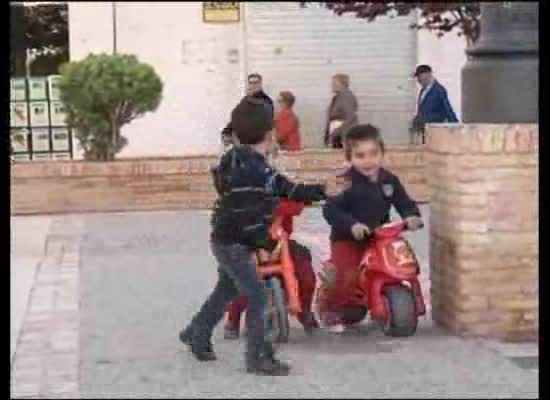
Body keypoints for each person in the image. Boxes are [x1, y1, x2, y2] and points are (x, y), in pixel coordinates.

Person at [179, 97, 326, 376]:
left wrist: (317, 191)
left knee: (226, 289)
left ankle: (195, 332)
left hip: (225, 239)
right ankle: (258, 357)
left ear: (235, 134)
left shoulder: (234, 161)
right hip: (234, 243)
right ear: (271, 135)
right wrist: (319, 192)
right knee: (257, 297)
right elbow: (281, 193)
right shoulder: (257, 170)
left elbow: (278, 189)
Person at [320, 124, 423, 332]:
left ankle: (413, 302)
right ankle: (330, 308)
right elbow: (331, 210)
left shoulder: (389, 180)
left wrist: (411, 216)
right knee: (346, 273)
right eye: (360, 155)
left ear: (382, 152)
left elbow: (403, 201)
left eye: (373, 154)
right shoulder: (345, 181)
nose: (368, 161)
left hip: (378, 236)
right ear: (349, 157)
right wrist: (352, 225)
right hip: (347, 238)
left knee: (402, 261)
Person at [223, 197, 319, 340]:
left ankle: (304, 311)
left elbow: (296, 204)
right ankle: (233, 318)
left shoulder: (281, 189)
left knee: (305, 270)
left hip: (280, 241)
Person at [221, 73, 274, 147]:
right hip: (241, 144)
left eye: (256, 83)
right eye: (251, 83)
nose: (253, 85)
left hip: (257, 144)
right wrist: (227, 131)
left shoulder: (266, 102)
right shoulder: (245, 100)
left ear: (260, 84)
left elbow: (269, 125)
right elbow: (237, 117)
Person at [412, 65, 458, 143]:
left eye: (420, 76)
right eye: (417, 77)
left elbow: (447, 109)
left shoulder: (439, 90)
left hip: (434, 131)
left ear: (428, 74)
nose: (418, 79)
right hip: (424, 131)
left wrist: (455, 126)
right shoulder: (423, 90)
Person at [325, 74, 358, 149]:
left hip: (343, 132)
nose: (332, 85)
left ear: (342, 84)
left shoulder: (347, 97)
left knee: (339, 154)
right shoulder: (338, 97)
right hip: (338, 131)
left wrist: (337, 131)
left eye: (334, 83)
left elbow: (350, 117)